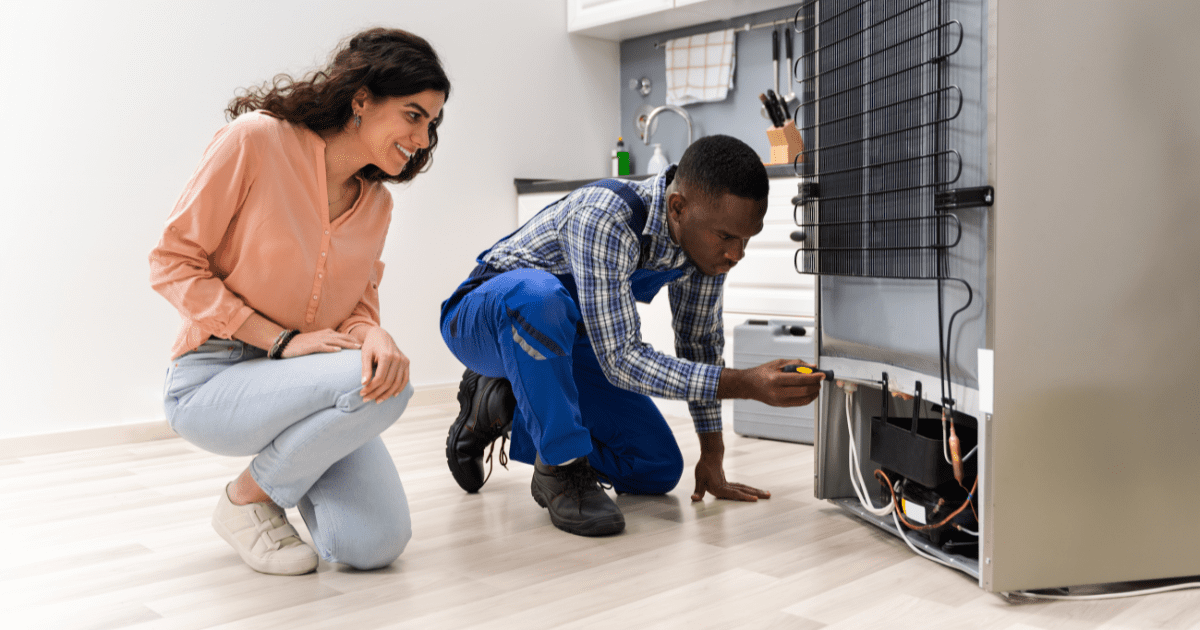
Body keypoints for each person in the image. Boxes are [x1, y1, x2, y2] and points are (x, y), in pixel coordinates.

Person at [149, 28, 450, 574]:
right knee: (386, 385)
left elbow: (356, 307)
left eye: (431, 123)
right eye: (413, 115)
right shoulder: (256, 140)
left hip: (309, 381)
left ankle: (283, 477)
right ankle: (249, 499)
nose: (424, 138)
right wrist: (280, 341)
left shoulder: (377, 204)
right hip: (212, 379)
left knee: (373, 546)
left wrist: (373, 332)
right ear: (362, 100)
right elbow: (172, 262)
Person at [439, 135, 825, 537]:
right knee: (541, 299)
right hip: (483, 322)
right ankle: (561, 469)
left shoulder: (702, 253)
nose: (736, 254)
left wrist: (712, 454)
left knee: (655, 467)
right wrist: (745, 384)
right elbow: (620, 359)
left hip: (571, 346)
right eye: (727, 237)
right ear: (678, 208)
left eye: (747, 239)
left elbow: (699, 346)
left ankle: (499, 406)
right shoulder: (605, 216)